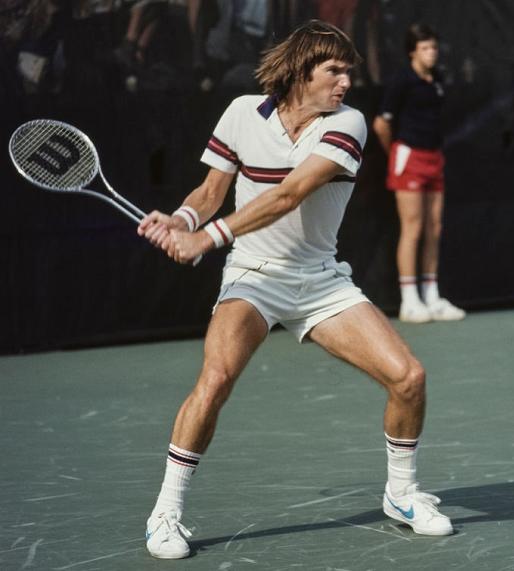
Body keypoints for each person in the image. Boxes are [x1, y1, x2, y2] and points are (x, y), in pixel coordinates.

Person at [137, 19, 453, 560]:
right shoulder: (241, 113)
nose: (345, 81)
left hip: (319, 281)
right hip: (253, 277)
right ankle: (165, 512)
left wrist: (205, 239)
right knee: (214, 380)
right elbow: (213, 189)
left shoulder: (347, 122)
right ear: (301, 71)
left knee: (409, 379)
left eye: (349, 70)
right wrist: (184, 220)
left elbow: (290, 194)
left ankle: (400, 495)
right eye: (334, 70)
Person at [373, 23, 465, 324]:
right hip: (408, 157)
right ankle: (409, 301)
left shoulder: (436, 79)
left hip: (434, 157)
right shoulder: (402, 81)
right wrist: (398, 154)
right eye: (425, 48)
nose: (431, 53)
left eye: (434, 48)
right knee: (412, 228)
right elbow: (381, 124)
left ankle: (432, 296)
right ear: (413, 51)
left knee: (434, 228)